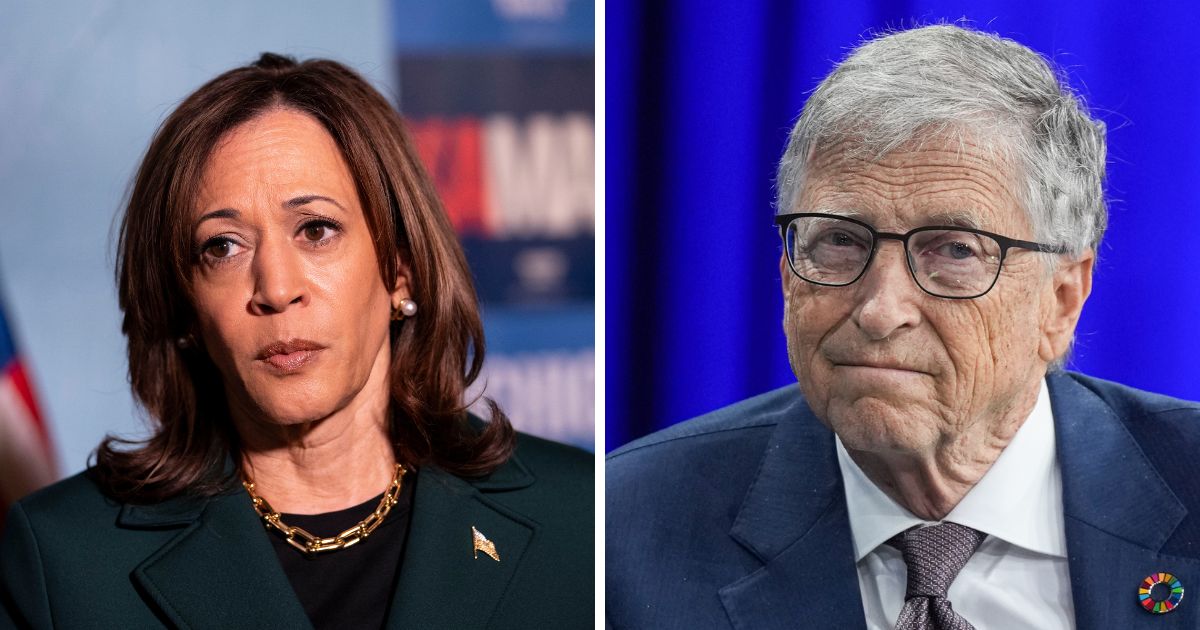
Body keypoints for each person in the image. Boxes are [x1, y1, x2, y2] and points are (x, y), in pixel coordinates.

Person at [607, 24, 1200, 630]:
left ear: (1062, 297)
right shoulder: (623, 533)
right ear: (787, 274)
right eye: (839, 241)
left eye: (955, 251)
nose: (881, 310)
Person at [0, 53, 593, 629]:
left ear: (401, 269)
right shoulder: (64, 560)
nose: (276, 290)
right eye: (224, 246)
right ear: (183, 307)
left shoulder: (581, 516)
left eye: (316, 230)